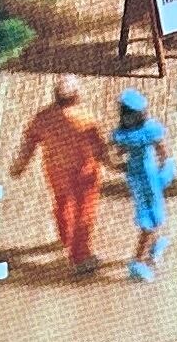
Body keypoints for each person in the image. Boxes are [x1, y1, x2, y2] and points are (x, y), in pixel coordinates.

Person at [9, 74, 111, 272]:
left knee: (62, 202)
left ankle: (65, 238)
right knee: (84, 212)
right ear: (76, 96)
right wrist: (117, 164)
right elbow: (99, 150)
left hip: (55, 169)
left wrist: (19, 166)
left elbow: (29, 145)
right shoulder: (84, 119)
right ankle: (80, 258)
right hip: (83, 172)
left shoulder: (43, 117)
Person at [110, 87, 175, 279]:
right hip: (150, 177)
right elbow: (163, 152)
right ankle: (138, 262)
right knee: (151, 221)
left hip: (135, 178)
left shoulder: (122, 135)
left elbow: (113, 156)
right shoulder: (151, 130)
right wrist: (167, 169)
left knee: (149, 212)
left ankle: (153, 246)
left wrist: (124, 167)